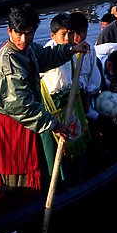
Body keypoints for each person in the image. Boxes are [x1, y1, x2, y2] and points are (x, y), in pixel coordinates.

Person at [0, 4, 89, 191]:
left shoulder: (29, 49)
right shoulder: (8, 62)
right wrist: (54, 125)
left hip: (23, 113)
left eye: (29, 33)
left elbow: (47, 57)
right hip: (10, 119)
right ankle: (20, 196)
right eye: (19, 33)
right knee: (17, 163)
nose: (24, 39)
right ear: (9, 31)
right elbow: (21, 106)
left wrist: (72, 49)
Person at [39, 13, 92, 182]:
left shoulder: (71, 51)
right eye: (63, 34)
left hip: (69, 103)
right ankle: (59, 181)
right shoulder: (48, 53)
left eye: (70, 33)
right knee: (55, 149)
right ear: (53, 35)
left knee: (74, 142)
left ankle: (75, 176)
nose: (68, 38)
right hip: (53, 107)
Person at [69, 11, 102, 111]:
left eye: (85, 32)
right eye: (78, 33)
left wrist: (88, 95)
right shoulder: (62, 50)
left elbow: (92, 74)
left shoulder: (90, 48)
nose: (82, 36)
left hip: (83, 93)